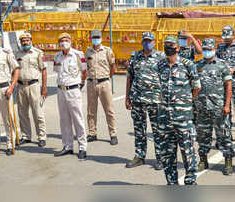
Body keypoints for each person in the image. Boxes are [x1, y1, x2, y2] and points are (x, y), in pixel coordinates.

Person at [157, 35, 201, 185]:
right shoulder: (160, 65)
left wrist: (185, 102)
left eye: (171, 45)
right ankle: (171, 183)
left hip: (183, 117)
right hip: (164, 118)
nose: (168, 47)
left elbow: (197, 87)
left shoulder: (188, 64)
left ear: (177, 47)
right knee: (167, 155)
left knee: (188, 152)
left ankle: (190, 182)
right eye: (166, 45)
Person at [125, 32, 165, 170]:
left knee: (158, 130)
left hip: (156, 100)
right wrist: (127, 97)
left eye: (150, 41)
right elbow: (130, 77)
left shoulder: (161, 57)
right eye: (145, 41)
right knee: (139, 130)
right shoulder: (135, 56)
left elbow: (165, 78)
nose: (147, 43)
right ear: (142, 42)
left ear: (154, 42)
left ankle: (160, 158)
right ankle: (139, 156)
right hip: (137, 99)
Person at [195, 38, 234, 175]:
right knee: (202, 135)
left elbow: (228, 85)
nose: (207, 51)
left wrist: (227, 105)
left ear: (214, 50)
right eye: (204, 49)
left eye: (209, 49)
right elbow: (193, 85)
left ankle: (228, 162)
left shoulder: (222, 65)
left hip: (219, 107)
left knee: (223, 135)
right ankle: (203, 160)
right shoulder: (197, 65)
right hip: (202, 107)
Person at [53, 33, 87, 160]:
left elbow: (84, 72)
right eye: (61, 40)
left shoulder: (78, 55)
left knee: (78, 119)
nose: (63, 42)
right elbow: (57, 72)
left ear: (70, 41)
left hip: (73, 90)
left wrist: (80, 84)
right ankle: (67, 146)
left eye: (66, 40)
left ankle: (82, 147)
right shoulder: (57, 56)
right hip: (61, 90)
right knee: (64, 120)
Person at [85, 29, 118, 145]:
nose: (96, 39)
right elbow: (86, 67)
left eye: (98, 37)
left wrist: (107, 77)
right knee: (91, 110)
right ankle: (92, 133)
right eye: (94, 37)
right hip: (91, 83)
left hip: (104, 83)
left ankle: (113, 134)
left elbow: (113, 66)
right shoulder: (88, 51)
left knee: (109, 110)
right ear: (91, 38)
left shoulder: (107, 51)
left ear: (101, 38)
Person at [15, 32, 47, 148]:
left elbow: (43, 70)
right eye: (23, 41)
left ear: (31, 40)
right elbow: (15, 70)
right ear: (21, 42)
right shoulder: (17, 54)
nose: (25, 42)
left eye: (27, 40)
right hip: (21, 86)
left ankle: (41, 137)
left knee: (38, 113)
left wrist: (44, 88)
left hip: (34, 86)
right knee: (22, 113)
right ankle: (26, 136)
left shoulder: (38, 53)